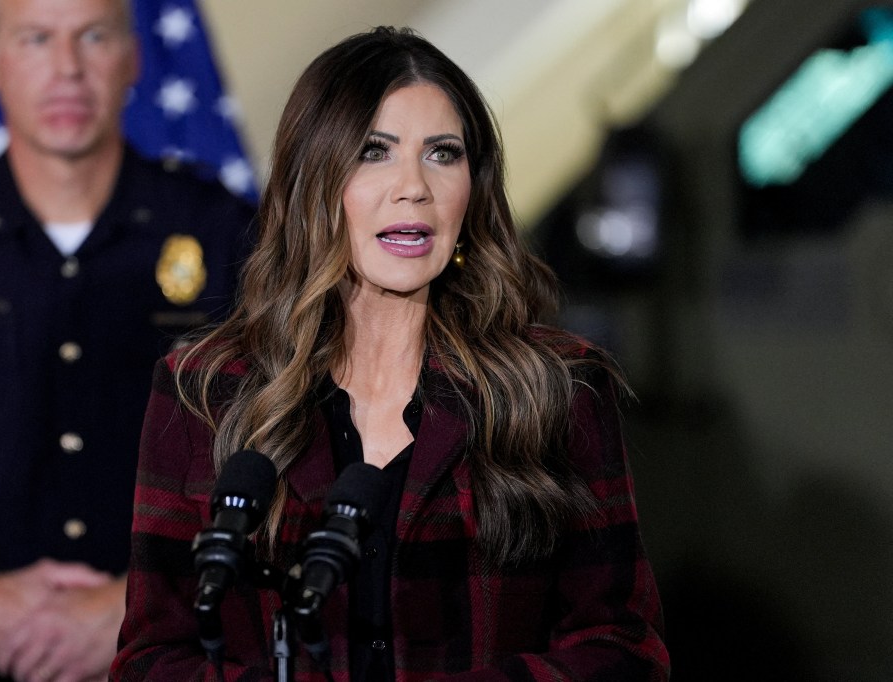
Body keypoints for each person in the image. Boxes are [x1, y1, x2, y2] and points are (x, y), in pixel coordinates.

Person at [111, 26, 669, 682]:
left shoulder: (559, 389)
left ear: (473, 188)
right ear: (315, 181)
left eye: (443, 154)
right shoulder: (202, 390)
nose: (413, 187)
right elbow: (151, 659)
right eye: (374, 151)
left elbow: (623, 649)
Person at [0, 0, 255, 679]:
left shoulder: (231, 237)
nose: (68, 69)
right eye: (37, 39)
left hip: (185, 658)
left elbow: (301, 473)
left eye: (94, 37)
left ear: (134, 57)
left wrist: (134, 607)